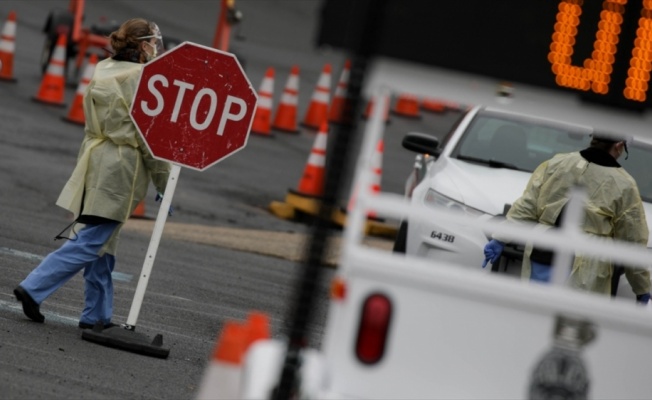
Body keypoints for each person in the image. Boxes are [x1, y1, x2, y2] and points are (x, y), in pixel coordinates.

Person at [13, 18, 171, 328]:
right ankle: (33, 287)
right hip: (121, 166)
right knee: (93, 239)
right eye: (152, 42)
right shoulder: (142, 78)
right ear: (142, 45)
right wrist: (164, 181)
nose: (155, 48)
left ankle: (96, 315)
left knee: (103, 244)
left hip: (96, 156)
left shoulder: (105, 69)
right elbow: (149, 137)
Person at [482, 132, 651, 304]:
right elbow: (632, 241)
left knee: (535, 315)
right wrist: (642, 287)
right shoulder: (624, 185)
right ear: (619, 145)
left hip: (543, 253)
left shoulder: (558, 163)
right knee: (568, 323)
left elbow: (527, 207)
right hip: (588, 269)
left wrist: (500, 239)